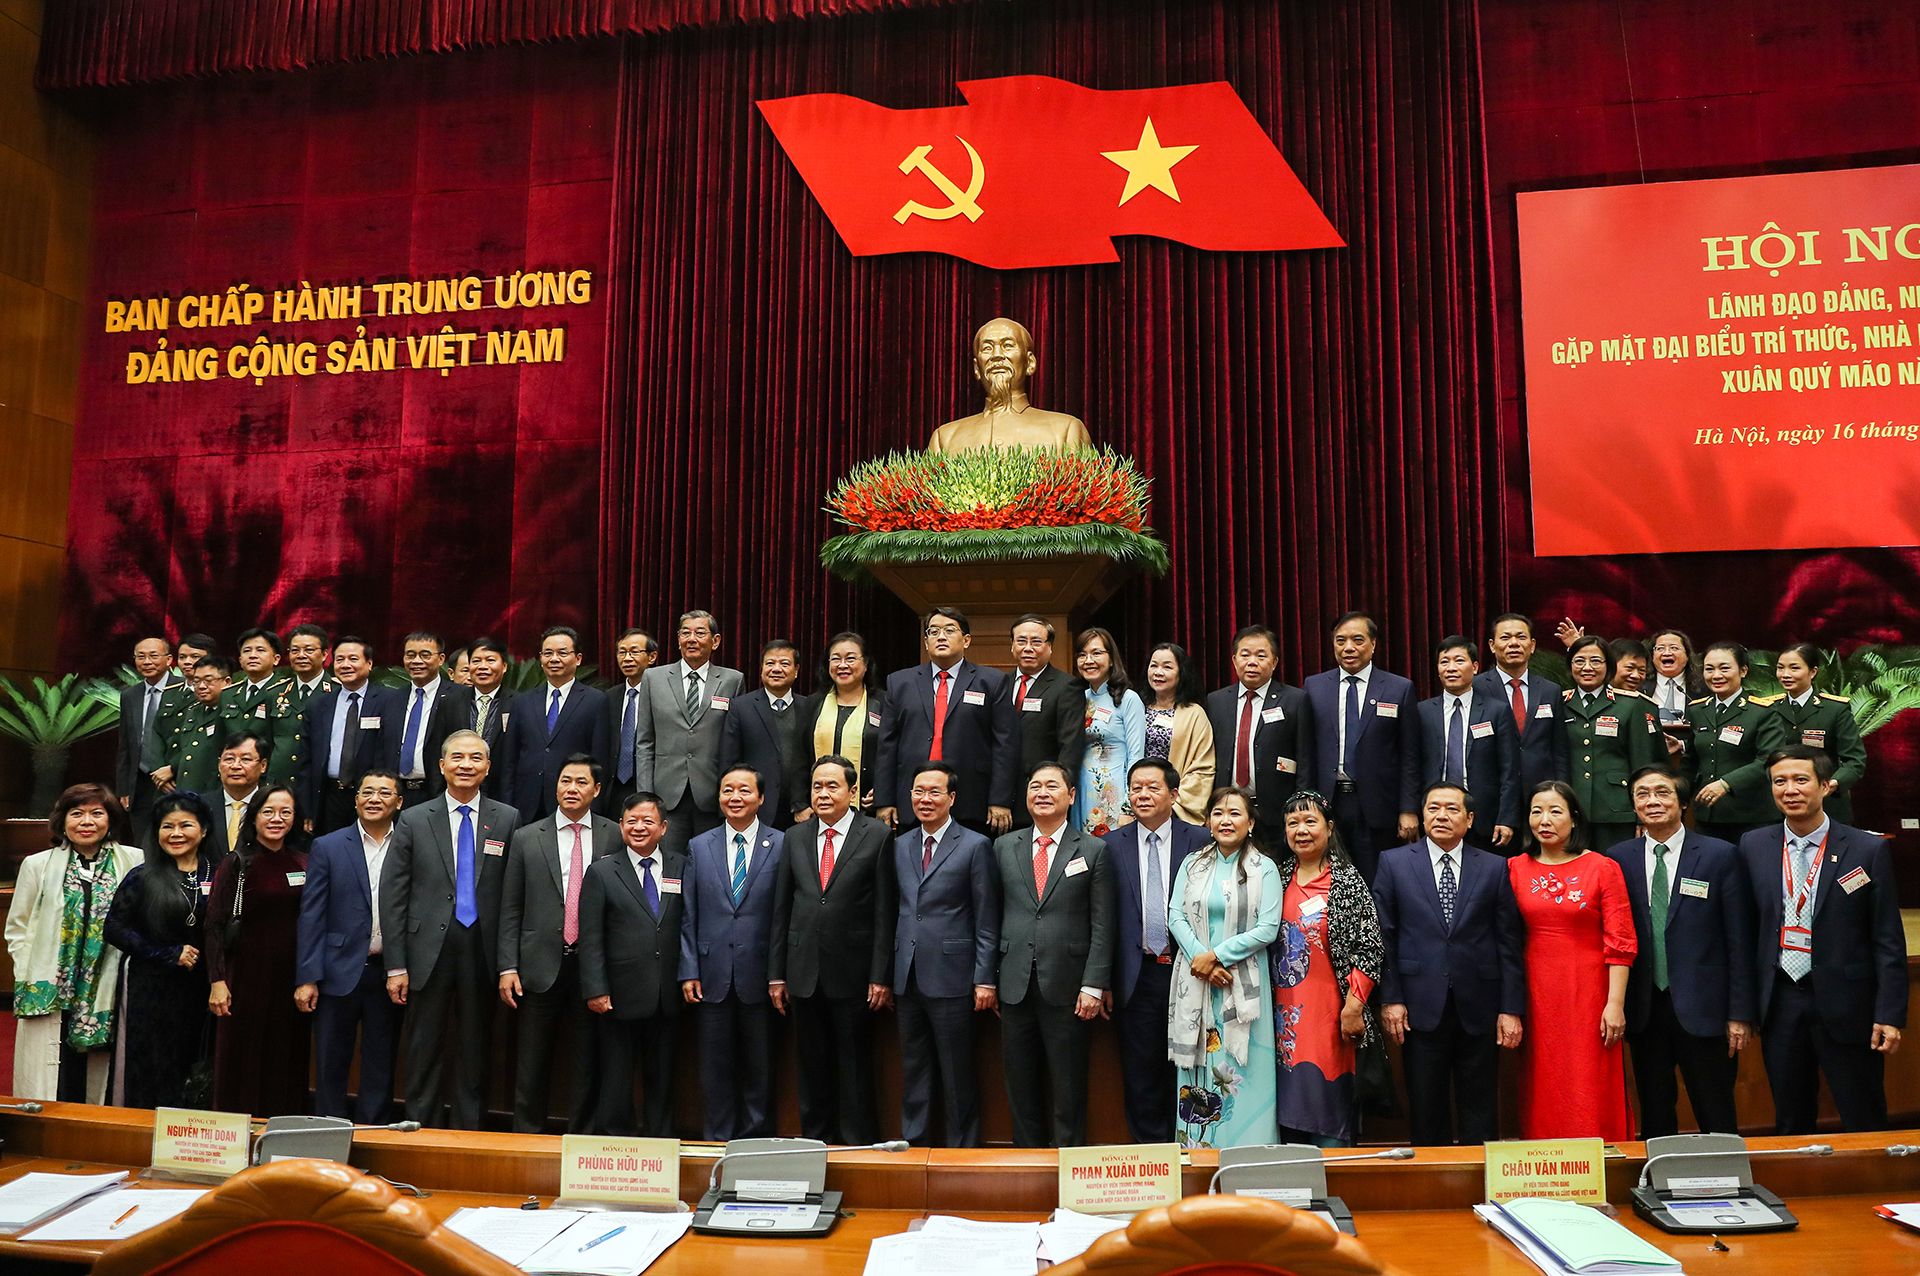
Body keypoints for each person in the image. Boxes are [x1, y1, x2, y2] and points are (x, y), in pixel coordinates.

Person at [1742, 746, 1905, 1133]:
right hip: (1781, 1000)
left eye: (1801, 780)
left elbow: (1887, 940)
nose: (1790, 790)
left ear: (1826, 786)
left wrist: (1889, 1014)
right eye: (1779, 781)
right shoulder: (1753, 845)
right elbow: (1745, 930)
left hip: (1849, 1002)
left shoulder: (1867, 848)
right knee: (1790, 1119)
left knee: (1863, 1114)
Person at [381, 730, 522, 1129]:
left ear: (487, 767)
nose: (466, 765)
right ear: (442, 766)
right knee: (423, 1046)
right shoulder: (413, 818)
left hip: (482, 948)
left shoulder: (507, 818)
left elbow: (512, 898)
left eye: (475, 758)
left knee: (475, 1048)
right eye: (457, 757)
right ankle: (418, 1128)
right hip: (426, 948)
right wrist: (396, 965)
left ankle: (467, 1133)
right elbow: (393, 896)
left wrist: (508, 963)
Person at [1373, 783, 1525, 1146]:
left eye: (1452, 809)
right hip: (1418, 1004)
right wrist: (1391, 998)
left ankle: (1479, 1179)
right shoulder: (1393, 863)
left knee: (1480, 1110)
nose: (1441, 816)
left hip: (1480, 1004)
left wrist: (1510, 1008)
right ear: (1422, 815)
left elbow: (1508, 942)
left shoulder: (1494, 867)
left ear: (1470, 819)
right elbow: (1384, 937)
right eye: (1433, 808)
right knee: (1426, 1109)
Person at [1605, 765, 1753, 1138]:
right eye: (1642, 794)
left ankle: (1726, 1174)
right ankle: (1659, 1174)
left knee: (1715, 1110)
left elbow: (1739, 939)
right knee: (1655, 1112)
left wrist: (1739, 1013)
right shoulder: (1617, 859)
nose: (1652, 801)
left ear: (1682, 802)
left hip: (1705, 1009)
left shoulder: (1720, 855)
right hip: (1644, 1008)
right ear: (1633, 805)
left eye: (1662, 792)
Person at [769, 756, 895, 1144]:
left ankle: (857, 1147)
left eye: (832, 786)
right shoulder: (794, 836)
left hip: (853, 972)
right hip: (803, 970)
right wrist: (776, 974)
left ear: (852, 791)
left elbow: (885, 912)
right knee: (811, 1067)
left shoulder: (877, 835)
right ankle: (815, 1146)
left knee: (855, 1067)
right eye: (817, 786)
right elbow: (782, 908)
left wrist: (880, 975)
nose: (823, 794)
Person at [993, 763, 1114, 1147]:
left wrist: (1094, 984)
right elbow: (990, 915)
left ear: (1071, 795)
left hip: (1069, 986)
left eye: (1051, 786)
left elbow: (1103, 923)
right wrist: (989, 977)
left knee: (1068, 1084)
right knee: (1019, 1084)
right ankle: (1027, 1164)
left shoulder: (1093, 849)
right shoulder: (1003, 846)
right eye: (1035, 786)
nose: (1042, 793)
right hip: (1014, 984)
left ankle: (1068, 1164)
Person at [497, 755, 620, 1132]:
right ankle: (526, 1139)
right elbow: (511, 907)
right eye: (565, 781)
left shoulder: (614, 835)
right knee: (531, 1062)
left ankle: (581, 1139)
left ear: (596, 790)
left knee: (587, 1062)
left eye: (581, 782)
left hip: (592, 967)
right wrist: (508, 966)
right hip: (538, 965)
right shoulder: (526, 836)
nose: (572, 789)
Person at [1508, 781, 1636, 1141]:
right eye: (1536, 811)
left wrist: (1615, 1004)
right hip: (1536, 992)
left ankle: (1601, 1159)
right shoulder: (1514, 868)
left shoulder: (1602, 867)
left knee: (1588, 1077)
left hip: (1589, 991)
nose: (1544, 820)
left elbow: (1621, 942)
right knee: (1542, 1078)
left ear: (1575, 818)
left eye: (1555, 811)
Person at [7, 784, 142, 1102]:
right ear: (62, 820)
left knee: (98, 1071)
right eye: (77, 813)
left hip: (106, 981)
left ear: (110, 820)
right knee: (52, 1071)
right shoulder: (37, 864)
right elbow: (17, 926)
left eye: (97, 813)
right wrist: (28, 969)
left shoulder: (133, 860)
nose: (87, 821)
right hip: (51, 982)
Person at [891, 762, 999, 1148]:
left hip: (954, 976)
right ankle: (914, 1146)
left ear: (951, 798)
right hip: (907, 975)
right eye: (919, 791)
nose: (925, 799)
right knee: (913, 1070)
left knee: (957, 1074)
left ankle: (961, 1153)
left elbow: (986, 918)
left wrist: (984, 977)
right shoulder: (900, 844)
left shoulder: (974, 845)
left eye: (934, 792)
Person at [1168, 785, 1281, 1149]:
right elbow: (1175, 916)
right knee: (1199, 1075)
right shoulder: (1193, 863)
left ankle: (1251, 1158)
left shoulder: (1265, 868)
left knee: (1243, 1074)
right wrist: (1202, 960)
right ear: (1207, 821)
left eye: (1235, 813)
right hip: (1197, 982)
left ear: (1250, 823)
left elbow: (1267, 928)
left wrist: (1216, 956)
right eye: (1218, 813)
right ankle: (1199, 1158)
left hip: (1243, 987)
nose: (1225, 820)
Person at [1269, 790, 1383, 1147]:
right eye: (1293, 823)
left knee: (1327, 1106)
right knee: (1285, 1109)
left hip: (1331, 1015)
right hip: (1280, 1019)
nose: (1301, 830)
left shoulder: (1346, 881)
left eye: (1310, 821)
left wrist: (1354, 1007)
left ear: (1329, 828)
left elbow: (1370, 947)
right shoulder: (1275, 877)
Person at [294, 770, 405, 1122]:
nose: (374, 799)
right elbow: (312, 914)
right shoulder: (328, 846)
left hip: (389, 971)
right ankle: (328, 1132)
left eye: (384, 792)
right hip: (337, 969)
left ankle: (373, 1132)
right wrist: (307, 977)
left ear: (399, 802)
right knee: (330, 1060)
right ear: (355, 800)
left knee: (381, 1061)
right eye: (367, 792)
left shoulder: (409, 844)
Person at [680, 766, 784, 1140]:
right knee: (715, 1067)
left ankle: (756, 1143)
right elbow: (689, 913)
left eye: (744, 790)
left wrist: (779, 973)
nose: (735, 797)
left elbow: (784, 915)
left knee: (760, 1066)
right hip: (711, 975)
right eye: (727, 790)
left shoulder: (781, 844)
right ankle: (718, 1141)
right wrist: (689, 969)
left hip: (761, 975)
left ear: (761, 798)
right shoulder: (699, 845)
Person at [1105, 758, 1206, 1144]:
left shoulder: (1201, 841)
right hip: (1137, 974)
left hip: (1189, 971)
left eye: (1152, 787)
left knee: (1190, 1069)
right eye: (1136, 788)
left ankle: (1190, 1152)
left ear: (1174, 794)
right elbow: (1103, 920)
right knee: (1141, 1073)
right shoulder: (1110, 845)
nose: (1142, 795)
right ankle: (1151, 1156)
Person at [580, 791, 687, 1137]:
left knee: (663, 1079)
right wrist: (596, 989)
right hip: (618, 996)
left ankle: (661, 1145)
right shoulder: (601, 871)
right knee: (616, 1079)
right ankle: (613, 1144)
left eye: (648, 821)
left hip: (667, 994)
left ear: (663, 827)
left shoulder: (681, 866)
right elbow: (591, 937)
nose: (639, 827)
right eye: (631, 821)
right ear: (621, 825)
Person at [106, 791, 218, 1110]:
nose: (176, 834)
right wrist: (166, 953)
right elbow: (114, 928)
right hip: (152, 988)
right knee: (153, 1065)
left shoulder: (219, 873)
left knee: (197, 1063)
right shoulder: (143, 876)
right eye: (167, 826)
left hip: (204, 988)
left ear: (204, 830)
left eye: (185, 825)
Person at [206, 785, 310, 1116]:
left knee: (284, 1057)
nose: (277, 819)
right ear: (254, 817)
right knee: (241, 1057)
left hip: (290, 979)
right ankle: (238, 1133)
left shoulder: (303, 862)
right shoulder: (237, 863)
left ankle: (278, 1132)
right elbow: (214, 925)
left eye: (285, 812)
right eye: (268, 811)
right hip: (244, 977)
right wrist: (217, 981)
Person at [877, 607, 1016, 837]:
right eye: (934, 631)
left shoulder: (991, 681)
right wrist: (885, 800)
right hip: (912, 801)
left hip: (971, 799)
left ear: (966, 640)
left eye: (949, 630)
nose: (941, 637)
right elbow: (887, 745)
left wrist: (1000, 799)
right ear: (926, 642)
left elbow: (1005, 744)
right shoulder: (900, 682)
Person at [1304, 612, 1419, 881]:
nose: (1348, 648)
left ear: (1373, 644)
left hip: (1378, 805)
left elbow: (1410, 755)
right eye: (1340, 640)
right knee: (1331, 878)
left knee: (1376, 879)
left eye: (1357, 640)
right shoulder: (1314, 686)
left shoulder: (1399, 688)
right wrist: (1306, 800)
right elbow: (1306, 750)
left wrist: (1408, 809)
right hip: (1328, 800)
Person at [631, 611, 741, 850]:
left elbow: (735, 742)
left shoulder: (733, 680)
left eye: (700, 633)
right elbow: (644, 741)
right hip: (666, 795)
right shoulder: (653, 678)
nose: (692, 639)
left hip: (713, 795)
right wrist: (646, 795)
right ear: (678, 639)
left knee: (710, 862)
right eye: (685, 633)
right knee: (669, 863)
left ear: (715, 641)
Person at [1205, 625, 1314, 840]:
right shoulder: (1216, 701)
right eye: (1245, 655)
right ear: (1234, 660)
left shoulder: (1295, 700)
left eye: (1261, 656)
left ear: (1274, 662)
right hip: (1228, 812)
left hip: (1277, 811)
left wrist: (1300, 806)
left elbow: (1305, 758)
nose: (1252, 662)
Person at [926, 317, 1094, 453]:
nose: (997, 355)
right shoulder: (945, 438)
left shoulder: (1065, 430)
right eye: (987, 348)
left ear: (1030, 363)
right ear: (977, 368)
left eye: (1007, 346)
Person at [1558, 635, 1662, 849]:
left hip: (1617, 808)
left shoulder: (1630, 705)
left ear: (1609, 666)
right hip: (1571, 807)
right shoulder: (1560, 703)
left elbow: (1642, 764)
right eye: (1579, 661)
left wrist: (1642, 816)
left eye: (1596, 661)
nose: (1587, 667)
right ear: (1570, 666)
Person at [1416, 636, 1519, 849]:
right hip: (1435, 814)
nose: (1451, 668)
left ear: (1475, 667)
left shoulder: (1496, 710)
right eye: (1444, 662)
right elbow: (1411, 765)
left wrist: (1506, 818)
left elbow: (1510, 769)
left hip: (1485, 817)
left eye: (1459, 660)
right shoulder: (1422, 711)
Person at [299, 636, 400, 836]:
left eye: (353, 659)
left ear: (369, 664)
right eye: (340, 659)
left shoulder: (389, 700)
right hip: (329, 797)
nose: (345, 665)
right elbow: (306, 760)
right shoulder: (319, 705)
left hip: (372, 797)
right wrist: (307, 808)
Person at [1686, 641, 1788, 838]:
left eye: (1724, 668)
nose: (1716, 675)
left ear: (1743, 671)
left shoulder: (1762, 711)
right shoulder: (1697, 710)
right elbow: (1691, 760)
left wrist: (1726, 783)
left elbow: (1769, 760)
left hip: (1751, 816)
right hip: (1707, 816)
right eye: (1709, 669)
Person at [1757, 643, 1867, 822]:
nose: (1785, 674)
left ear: (1813, 672)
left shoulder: (1834, 709)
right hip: (1777, 805)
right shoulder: (1768, 709)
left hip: (1826, 803)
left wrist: (1833, 783)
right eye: (1780, 668)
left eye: (1794, 668)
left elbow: (1855, 760)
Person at [718, 640, 808, 831]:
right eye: (770, 663)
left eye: (784, 663)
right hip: (755, 807)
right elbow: (729, 760)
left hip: (800, 810)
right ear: (761, 669)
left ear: (796, 670)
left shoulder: (809, 707)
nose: (776, 669)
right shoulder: (741, 707)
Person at [798, 631, 887, 819]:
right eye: (836, 659)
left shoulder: (884, 703)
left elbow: (891, 754)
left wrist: (884, 792)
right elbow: (799, 756)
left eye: (851, 658)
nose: (843, 665)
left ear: (866, 664)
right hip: (817, 808)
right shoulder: (812, 703)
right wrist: (800, 804)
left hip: (868, 808)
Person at [1476, 613, 1567, 795]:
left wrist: (1562, 793)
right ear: (1492, 646)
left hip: (1542, 792)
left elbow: (1560, 750)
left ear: (1532, 646)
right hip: (1493, 792)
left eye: (1521, 637)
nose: (1514, 643)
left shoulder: (1550, 690)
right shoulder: (1476, 688)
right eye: (1505, 637)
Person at [1007, 615, 1086, 823]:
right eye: (1021, 641)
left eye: (1036, 641)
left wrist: (1057, 792)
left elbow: (1070, 746)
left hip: (1043, 797)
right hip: (1001, 801)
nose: (1028, 648)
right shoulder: (999, 684)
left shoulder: (1066, 686)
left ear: (1049, 647)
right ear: (1012, 646)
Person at [1072, 627, 1145, 835]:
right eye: (1082, 655)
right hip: (1081, 791)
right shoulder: (1077, 699)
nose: (1088, 660)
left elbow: (1136, 756)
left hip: (1114, 793)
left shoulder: (1128, 699)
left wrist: (1129, 806)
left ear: (1111, 659)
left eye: (1096, 653)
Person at [393, 631, 477, 808]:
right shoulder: (393, 698)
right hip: (396, 793)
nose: (416, 661)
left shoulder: (460, 696)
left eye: (425, 655)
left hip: (438, 793)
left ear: (441, 659)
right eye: (410, 655)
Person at [116, 635, 180, 846]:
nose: (147, 661)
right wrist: (124, 788)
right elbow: (125, 744)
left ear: (169, 659)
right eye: (141, 656)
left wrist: (174, 768)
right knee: (142, 843)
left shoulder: (184, 690)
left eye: (153, 656)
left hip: (172, 779)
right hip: (140, 781)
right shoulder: (129, 695)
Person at [1141, 643, 1215, 825]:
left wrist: (1169, 800)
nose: (1158, 672)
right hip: (1137, 800)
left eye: (1167, 667)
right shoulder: (1136, 707)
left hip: (1174, 807)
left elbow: (1202, 768)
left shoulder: (1194, 714)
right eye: (1153, 665)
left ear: (1181, 673)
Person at [218, 628, 301, 786]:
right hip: (233, 776)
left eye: (260, 650)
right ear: (240, 660)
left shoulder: (287, 692)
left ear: (276, 659)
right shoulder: (228, 694)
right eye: (247, 651)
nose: (253, 655)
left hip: (269, 779)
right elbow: (220, 740)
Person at [161, 655, 234, 796]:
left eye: (208, 681)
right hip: (187, 790)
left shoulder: (231, 712)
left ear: (227, 682)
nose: (201, 686)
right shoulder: (193, 711)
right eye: (196, 681)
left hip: (215, 791)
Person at [605, 626, 659, 812]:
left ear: (652, 657)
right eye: (622, 652)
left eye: (634, 652)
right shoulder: (609, 696)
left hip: (649, 783)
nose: (627, 658)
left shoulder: (662, 695)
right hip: (613, 787)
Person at [204, 731, 269, 860]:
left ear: (263, 765)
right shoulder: (200, 806)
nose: (235, 766)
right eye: (229, 759)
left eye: (245, 759)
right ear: (219, 764)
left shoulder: (272, 806)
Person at [466, 637, 512, 798]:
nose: (482, 666)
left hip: (501, 793)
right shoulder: (451, 702)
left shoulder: (519, 704)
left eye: (490, 660)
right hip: (459, 790)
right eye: (476, 661)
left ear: (504, 666)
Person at [283, 623, 338, 705]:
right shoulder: (276, 693)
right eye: (295, 650)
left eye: (309, 650)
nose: (301, 655)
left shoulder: (338, 690)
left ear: (324, 654)